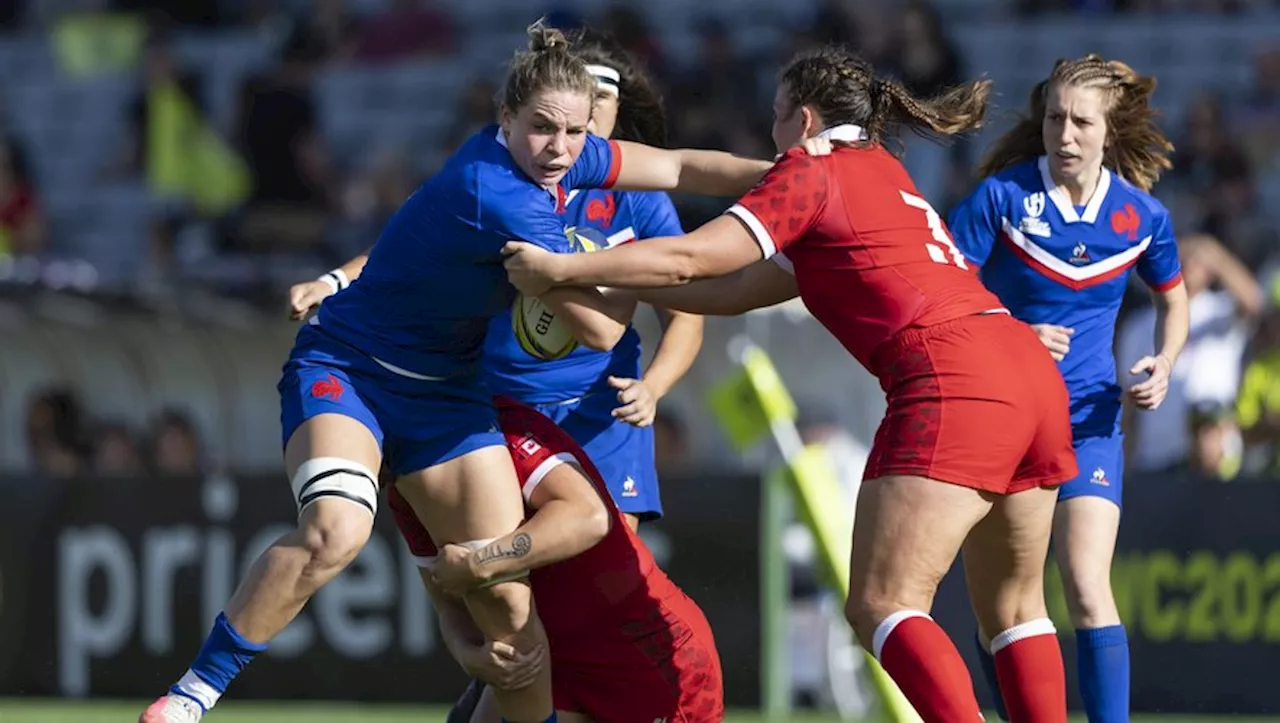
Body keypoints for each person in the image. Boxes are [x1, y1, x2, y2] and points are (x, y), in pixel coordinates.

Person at [140, 21, 775, 723]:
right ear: (504, 119)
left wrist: (784, 176)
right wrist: (592, 272)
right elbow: (600, 326)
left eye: (574, 133)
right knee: (337, 531)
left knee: (510, 609)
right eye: (541, 129)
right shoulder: (498, 194)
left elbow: (682, 166)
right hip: (354, 371)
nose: (561, 148)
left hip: (453, 394)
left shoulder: (569, 163)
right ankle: (191, 696)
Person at [504, 45, 1077, 722]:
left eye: (775, 118)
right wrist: (612, 273)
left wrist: (561, 269)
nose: (772, 136)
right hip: (1027, 369)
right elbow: (741, 286)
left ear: (801, 119)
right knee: (1015, 608)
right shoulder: (885, 172)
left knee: (882, 604)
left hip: (954, 379)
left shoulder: (813, 168)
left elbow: (694, 258)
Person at [289, 28, 702, 532]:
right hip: (499, 397)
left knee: (606, 555)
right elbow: (415, 243)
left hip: (600, 402)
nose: (588, 116)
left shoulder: (638, 196)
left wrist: (653, 387)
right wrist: (334, 280)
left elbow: (684, 310)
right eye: (580, 103)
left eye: (602, 99)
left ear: (619, 108)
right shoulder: (508, 178)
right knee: (500, 581)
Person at [947, 54, 1189, 723]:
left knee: (1086, 585)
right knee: (1004, 604)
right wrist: (1013, 332)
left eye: (1082, 120)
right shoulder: (1000, 198)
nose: (1066, 132)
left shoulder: (1141, 216)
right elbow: (942, 296)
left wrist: (1165, 362)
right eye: (1055, 116)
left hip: (1088, 421)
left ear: (1109, 131)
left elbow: (1176, 301)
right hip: (1004, 420)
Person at [388, 396, 723, 723]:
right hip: (554, 664)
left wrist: (477, 565)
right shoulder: (403, 485)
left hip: (645, 659)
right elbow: (448, 605)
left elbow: (588, 517)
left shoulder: (504, 426)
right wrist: (467, 655)